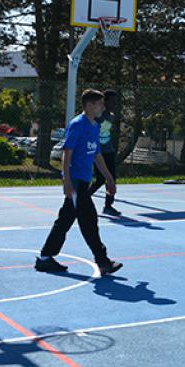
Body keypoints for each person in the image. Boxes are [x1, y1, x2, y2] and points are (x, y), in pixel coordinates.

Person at [35, 89, 123, 275]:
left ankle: (45, 258)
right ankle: (103, 261)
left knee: (65, 220)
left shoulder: (94, 126)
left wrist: (109, 179)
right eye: (99, 104)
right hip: (75, 182)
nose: (102, 107)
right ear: (89, 105)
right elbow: (67, 153)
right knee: (89, 220)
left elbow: (97, 155)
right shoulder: (78, 124)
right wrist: (66, 181)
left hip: (82, 181)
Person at [88, 89, 121, 217]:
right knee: (101, 179)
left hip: (109, 151)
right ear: (104, 102)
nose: (114, 104)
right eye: (112, 101)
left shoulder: (111, 116)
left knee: (112, 179)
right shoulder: (97, 116)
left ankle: (108, 205)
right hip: (98, 153)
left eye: (115, 101)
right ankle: (84, 198)